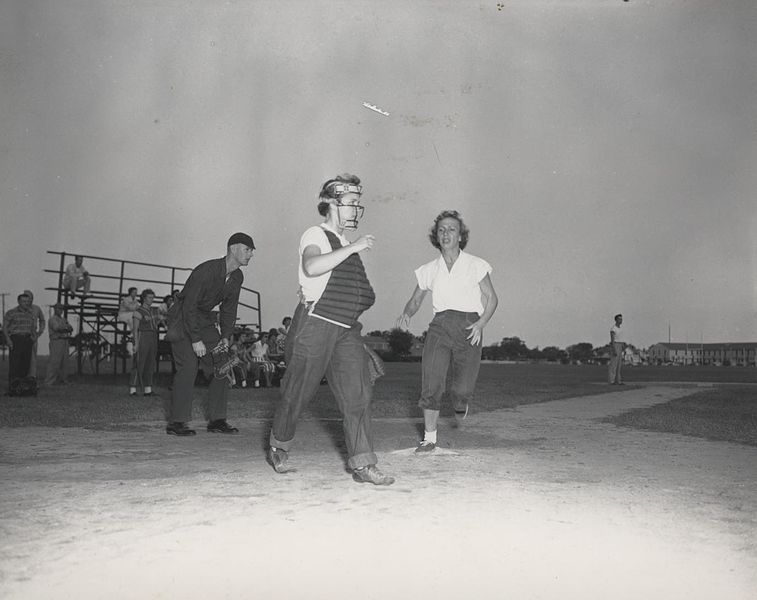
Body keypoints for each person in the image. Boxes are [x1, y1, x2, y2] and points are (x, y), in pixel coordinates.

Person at [267, 173, 394, 486]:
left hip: (346, 330)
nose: (355, 210)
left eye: (356, 204)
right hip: (315, 323)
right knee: (298, 391)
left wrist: (352, 250)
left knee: (358, 395)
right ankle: (279, 442)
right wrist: (353, 249)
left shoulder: (348, 245)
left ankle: (363, 463)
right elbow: (312, 266)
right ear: (331, 205)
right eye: (350, 204)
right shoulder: (316, 234)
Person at [397, 210, 498, 453]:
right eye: (441, 230)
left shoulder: (475, 264)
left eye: (451, 229)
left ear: (461, 236)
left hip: (469, 326)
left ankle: (461, 401)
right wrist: (407, 314)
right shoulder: (429, 269)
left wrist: (481, 323)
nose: (446, 233)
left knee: (461, 389)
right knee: (431, 383)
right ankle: (429, 438)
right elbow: (416, 299)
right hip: (440, 326)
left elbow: (492, 298)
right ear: (436, 236)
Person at [165, 232, 255, 436]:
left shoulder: (237, 276)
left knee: (222, 364)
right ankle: (177, 422)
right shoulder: (206, 270)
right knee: (188, 367)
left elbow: (229, 309)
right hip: (182, 317)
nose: (251, 255)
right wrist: (196, 340)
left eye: (252, 251)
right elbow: (188, 306)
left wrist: (225, 336)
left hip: (204, 319)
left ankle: (217, 420)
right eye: (247, 249)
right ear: (233, 249)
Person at [130, 289, 161, 397]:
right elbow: (135, 329)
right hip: (143, 336)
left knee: (150, 362)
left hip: (153, 336)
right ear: (143, 298)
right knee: (139, 362)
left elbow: (157, 322)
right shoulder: (138, 311)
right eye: (149, 297)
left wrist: (159, 319)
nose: (151, 300)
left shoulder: (154, 310)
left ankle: (148, 389)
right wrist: (136, 343)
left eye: (153, 298)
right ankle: (133, 389)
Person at [3, 293, 37, 392]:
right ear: (19, 302)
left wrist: (33, 338)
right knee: (15, 364)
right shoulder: (11, 312)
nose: (26, 303)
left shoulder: (31, 313)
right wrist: (8, 340)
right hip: (16, 339)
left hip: (27, 340)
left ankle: (22, 388)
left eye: (28, 301)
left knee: (25, 364)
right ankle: (13, 388)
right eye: (24, 301)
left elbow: (32, 328)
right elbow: (5, 327)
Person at [45, 303, 73, 386]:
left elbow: (71, 328)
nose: (60, 310)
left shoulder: (63, 319)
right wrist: (65, 327)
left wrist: (65, 327)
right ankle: (49, 381)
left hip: (64, 341)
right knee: (54, 362)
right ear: (55, 309)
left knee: (64, 362)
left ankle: (63, 380)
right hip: (56, 341)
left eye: (61, 309)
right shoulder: (52, 319)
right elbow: (57, 328)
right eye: (58, 309)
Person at [23, 290, 46, 378]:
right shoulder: (20, 308)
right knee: (23, 358)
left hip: (33, 335)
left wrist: (40, 331)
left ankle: (32, 378)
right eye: (26, 297)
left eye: (30, 297)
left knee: (32, 359)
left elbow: (42, 320)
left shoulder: (36, 308)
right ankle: (22, 378)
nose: (28, 299)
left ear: (32, 299)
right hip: (22, 335)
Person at [608, 313, 626, 385]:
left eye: (621, 319)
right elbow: (612, 340)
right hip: (615, 344)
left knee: (619, 364)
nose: (621, 320)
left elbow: (621, 338)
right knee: (614, 364)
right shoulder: (613, 329)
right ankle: (611, 380)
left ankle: (618, 380)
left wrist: (623, 346)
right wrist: (614, 349)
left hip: (620, 344)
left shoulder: (620, 329)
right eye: (619, 319)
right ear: (616, 320)